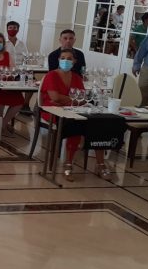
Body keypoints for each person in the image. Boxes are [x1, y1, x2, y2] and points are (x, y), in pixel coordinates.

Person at [40, 48, 112, 181]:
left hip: (73, 110)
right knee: (75, 126)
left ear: (74, 61)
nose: (65, 61)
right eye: (63, 58)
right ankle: (68, 163)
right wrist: (73, 99)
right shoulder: (52, 75)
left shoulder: (77, 77)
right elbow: (55, 98)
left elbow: (83, 98)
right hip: (52, 111)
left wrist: (68, 99)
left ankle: (100, 164)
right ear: (58, 60)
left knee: (98, 125)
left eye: (69, 59)